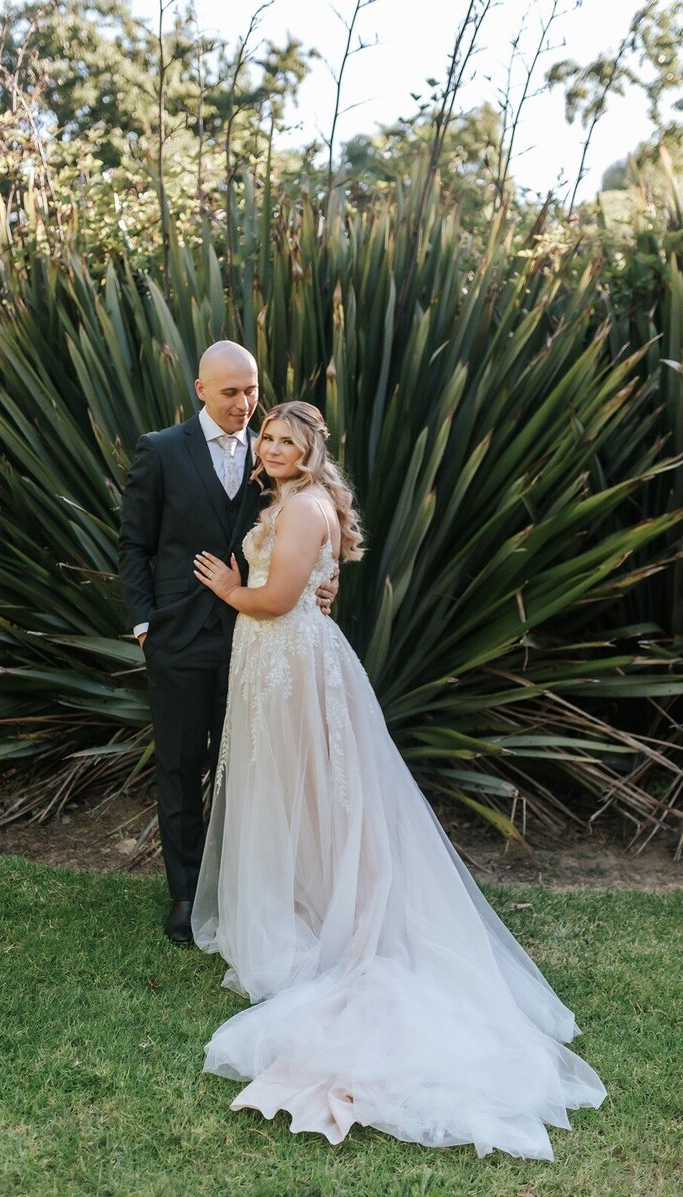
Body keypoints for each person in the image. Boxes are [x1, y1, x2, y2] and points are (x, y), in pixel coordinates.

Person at [190, 400, 607, 1158]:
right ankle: (307, 897)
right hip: (277, 663)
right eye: (270, 438)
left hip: (290, 666)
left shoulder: (303, 505)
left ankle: (327, 915)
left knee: (307, 795)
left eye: (289, 440)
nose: (275, 447)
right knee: (298, 797)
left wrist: (226, 586)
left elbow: (280, 598)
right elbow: (318, 586)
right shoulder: (294, 501)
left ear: (312, 449)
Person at [117, 343, 337, 944]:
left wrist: (326, 578)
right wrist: (144, 626)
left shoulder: (276, 458)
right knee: (182, 767)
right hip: (179, 640)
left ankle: (243, 888)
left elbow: (310, 528)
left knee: (250, 767)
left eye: (251, 391)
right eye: (230, 392)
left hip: (258, 640)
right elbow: (134, 545)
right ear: (200, 390)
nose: (244, 404)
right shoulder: (160, 451)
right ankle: (187, 895)